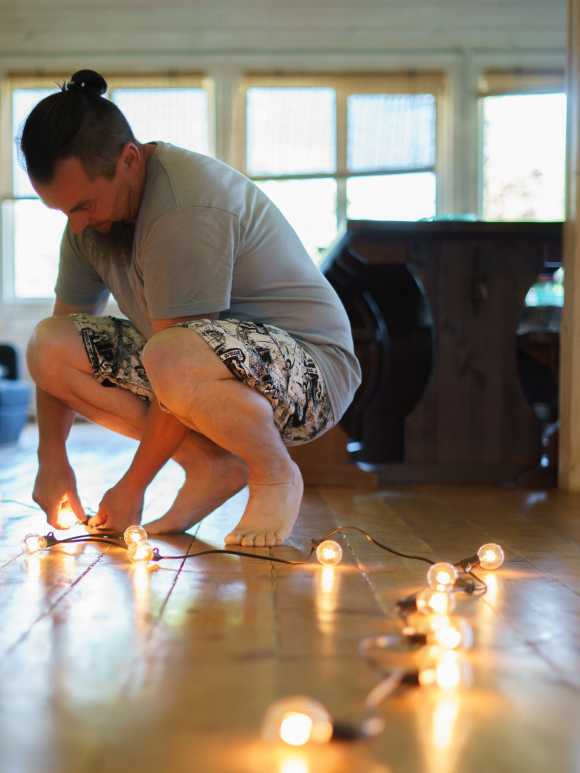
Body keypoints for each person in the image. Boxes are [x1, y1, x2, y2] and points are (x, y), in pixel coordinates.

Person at [21, 69, 360, 546]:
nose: (76, 227)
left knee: (170, 354)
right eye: (63, 212)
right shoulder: (87, 225)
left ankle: (274, 473)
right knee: (47, 345)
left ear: (130, 159)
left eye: (84, 205)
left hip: (312, 375)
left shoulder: (184, 207)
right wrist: (50, 458)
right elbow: (58, 346)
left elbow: (174, 363)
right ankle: (209, 465)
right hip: (203, 361)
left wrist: (132, 487)